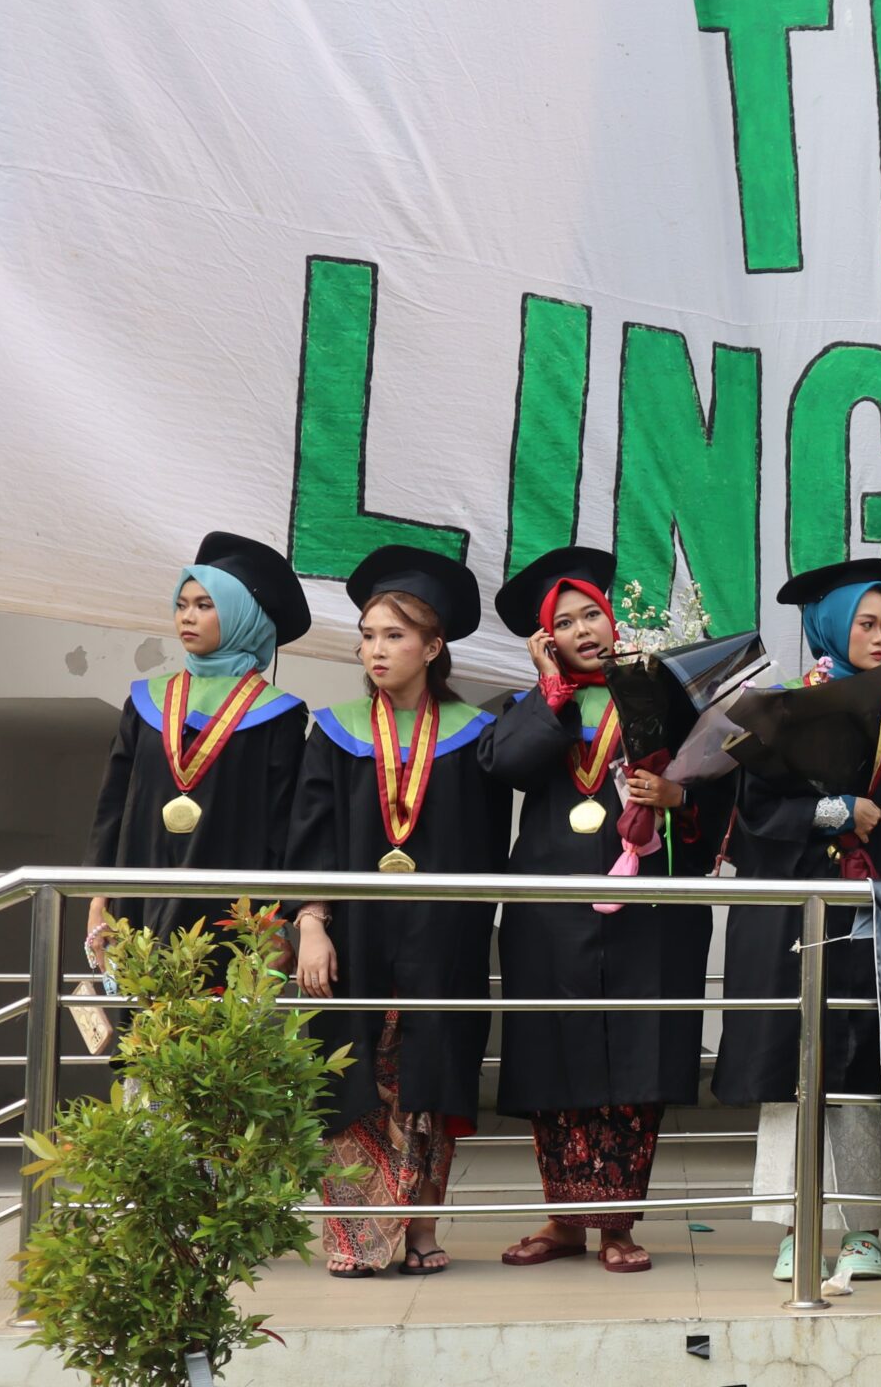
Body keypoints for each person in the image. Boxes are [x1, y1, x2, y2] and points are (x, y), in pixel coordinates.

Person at [481, 546, 734, 1275]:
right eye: (564, 623)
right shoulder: (530, 705)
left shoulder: (662, 693)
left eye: (590, 614)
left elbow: (723, 784)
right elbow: (507, 765)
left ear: (613, 619)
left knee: (636, 1059)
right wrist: (551, 691)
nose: (583, 630)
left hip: (648, 913)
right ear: (546, 639)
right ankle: (565, 1220)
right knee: (554, 1061)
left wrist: (678, 797)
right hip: (551, 913)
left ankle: (618, 1223)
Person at [287, 545, 506, 1279]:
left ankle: (420, 1229)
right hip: (353, 933)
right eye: (367, 635)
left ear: (433, 647)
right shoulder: (335, 728)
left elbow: (488, 846)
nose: (375, 650)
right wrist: (310, 923)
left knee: (430, 1077)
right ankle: (353, 1235)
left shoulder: (475, 735)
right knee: (351, 1074)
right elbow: (311, 837)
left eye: (394, 635)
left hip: (443, 938)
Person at [716, 558, 881, 1286]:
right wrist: (835, 811)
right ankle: (796, 1227)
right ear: (832, 627)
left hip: (872, 912)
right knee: (791, 1068)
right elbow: (755, 815)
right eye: (866, 623)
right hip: (793, 914)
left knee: (862, 1068)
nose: (880, 636)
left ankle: (864, 1228)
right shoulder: (781, 709)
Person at [86, 533, 313, 963]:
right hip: (138, 904)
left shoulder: (277, 715)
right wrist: (99, 898)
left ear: (242, 615)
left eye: (205, 606)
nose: (187, 617)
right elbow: (112, 807)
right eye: (182, 604)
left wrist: (275, 919)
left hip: (232, 914)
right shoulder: (146, 702)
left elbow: (282, 824)